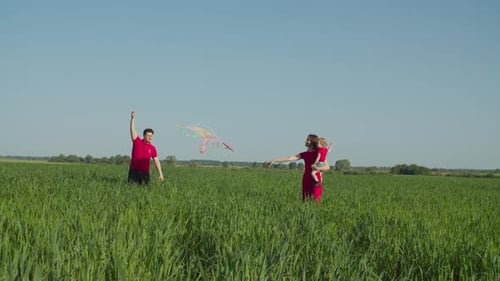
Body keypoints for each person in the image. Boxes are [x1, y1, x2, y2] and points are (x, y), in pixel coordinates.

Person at [265, 134, 329, 205]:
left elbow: (327, 167)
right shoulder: (304, 154)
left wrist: (318, 168)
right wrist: (274, 160)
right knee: (305, 202)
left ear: (312, 142)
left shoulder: (318, 153)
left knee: (317, 201)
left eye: (308, 140)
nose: (306, 141)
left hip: (316, 180)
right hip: (306, 179)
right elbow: (289, 158)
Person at [128, 111, 164, 185]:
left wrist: (160, 173)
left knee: (144, 192)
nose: (150, 137)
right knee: (132, 190)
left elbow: (156, 161)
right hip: (134, 171)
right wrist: (132, 119)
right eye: (148, 135)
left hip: (145, 173)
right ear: (144, 135)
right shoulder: (137, 142)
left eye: (151, 136)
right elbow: (132, 130)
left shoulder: (153, 148)